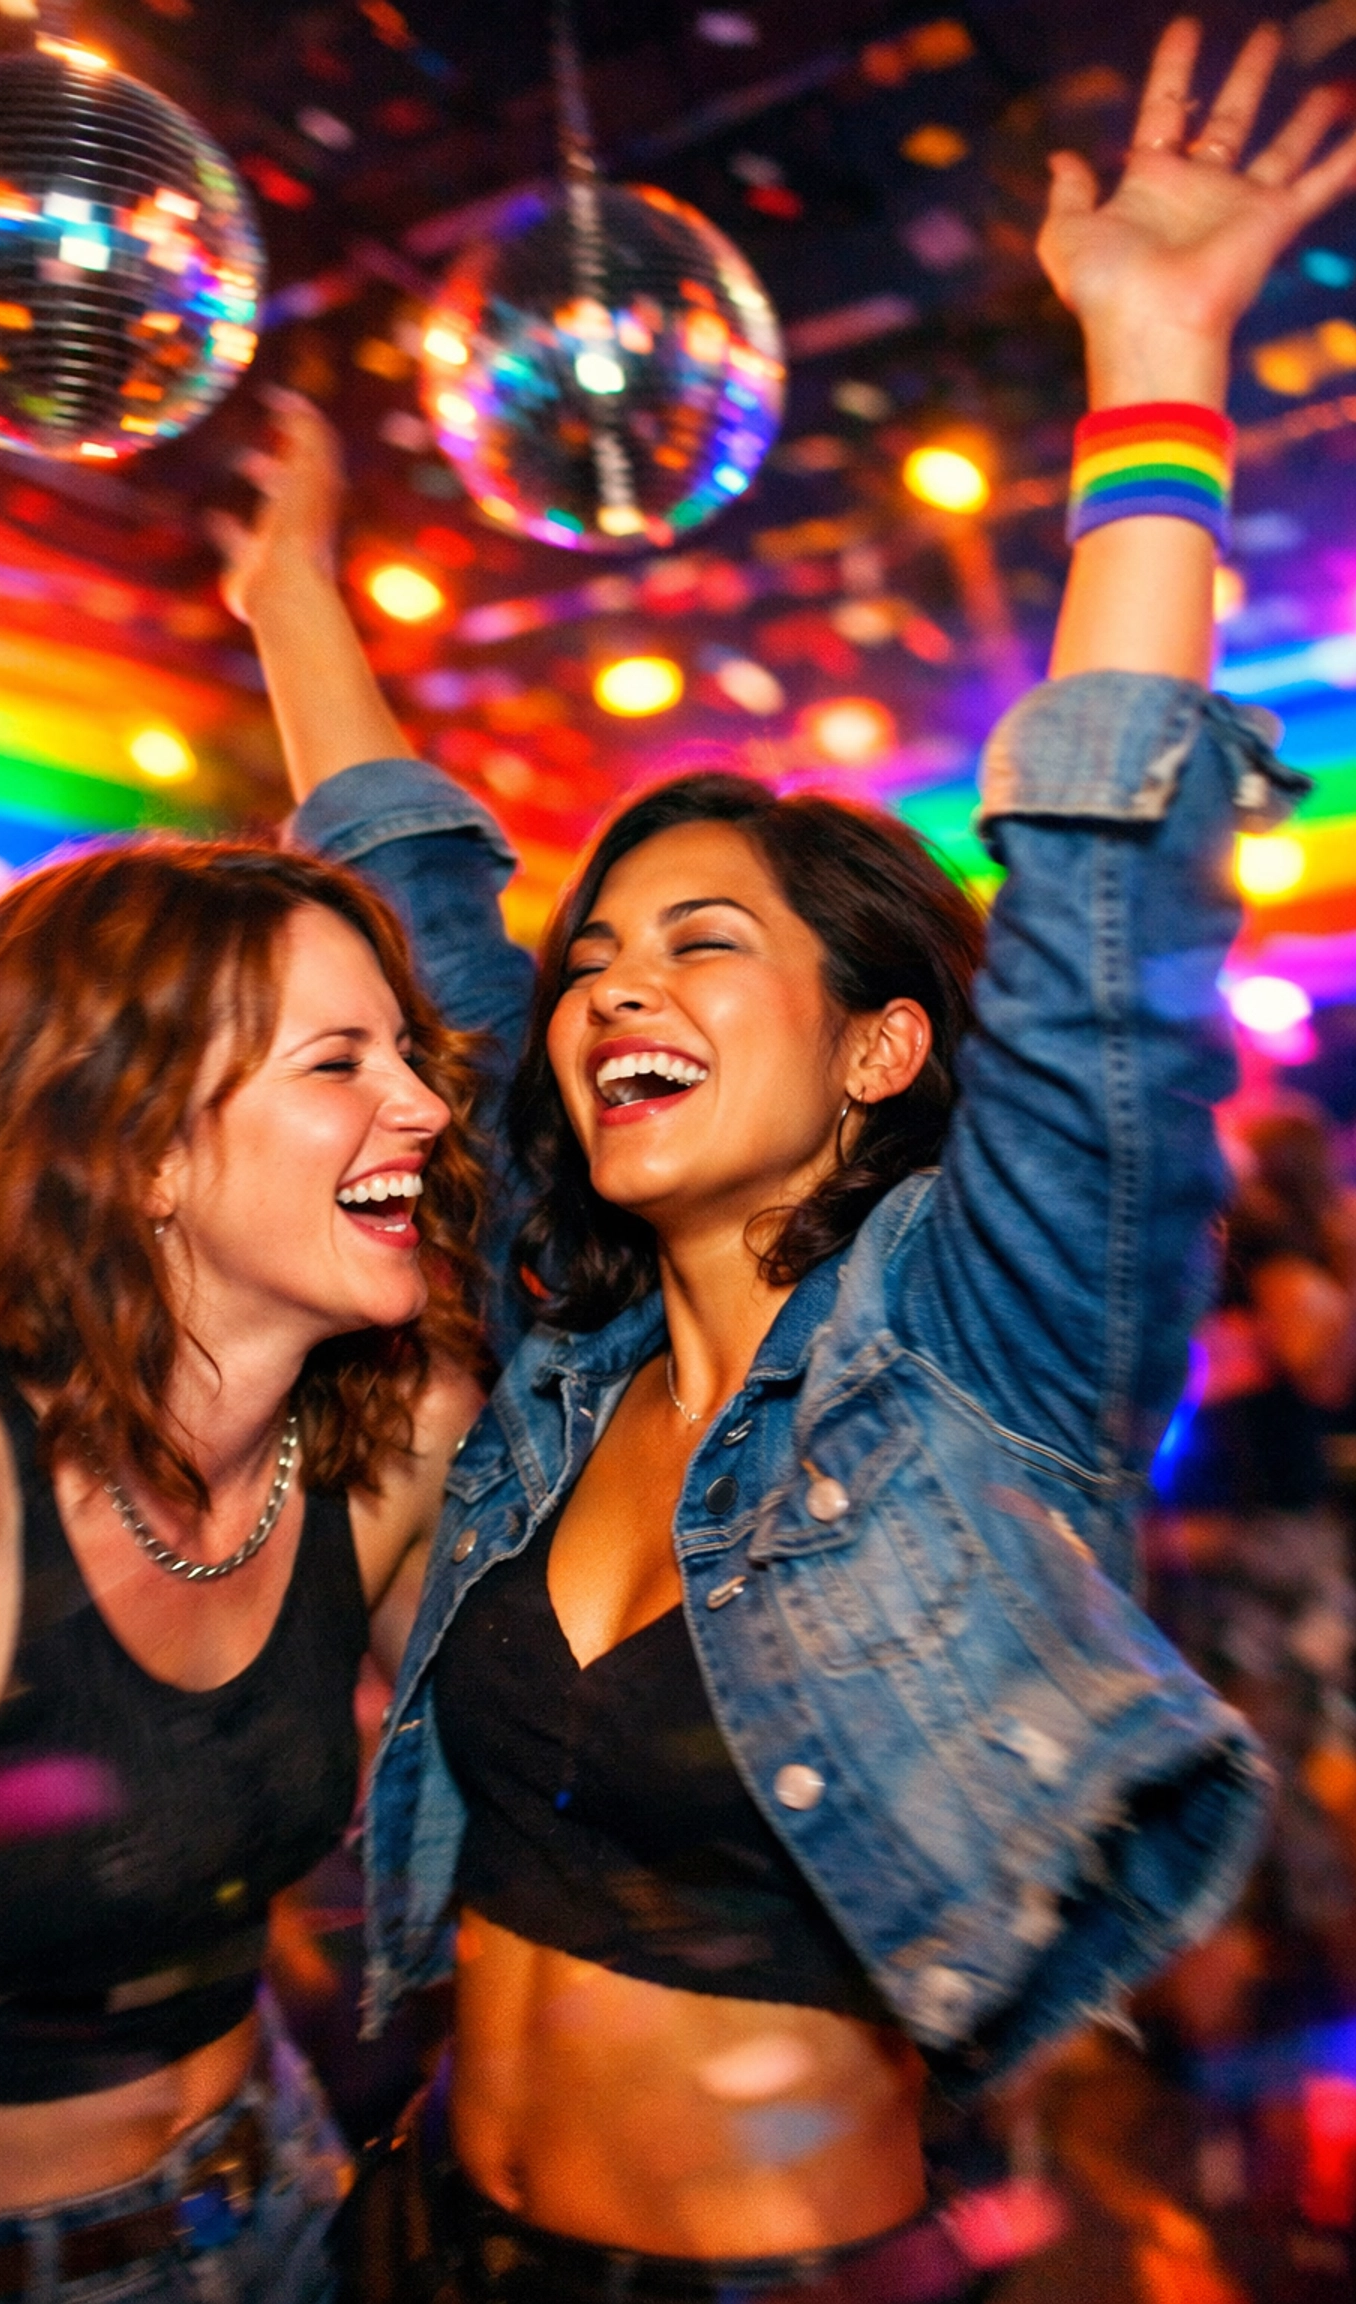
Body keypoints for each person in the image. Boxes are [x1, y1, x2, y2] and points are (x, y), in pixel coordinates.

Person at [222, 22, 1356, 2299]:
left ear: (878, 1046)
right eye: (605, 954)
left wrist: (1147, 358)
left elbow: (1102, 896)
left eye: (704, 945)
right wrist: (289, 612)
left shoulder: (991, 1351)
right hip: (421, 2235)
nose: (614, 983)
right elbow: (439, 931)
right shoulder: (565, 1342)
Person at [0, 840, 489, 2300]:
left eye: (409, 1051)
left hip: (284, 2203)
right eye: (337, 1063)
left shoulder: (389, 1439)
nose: (427, 1106)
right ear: (142, 1152)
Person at [1149, 1096, 1356, 2039]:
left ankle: (1265, 2045)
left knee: (1260, 1790)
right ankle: (1244, 2044)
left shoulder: (1251, 1226)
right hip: (1209, 1549)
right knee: (1247, 1787)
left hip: (1250, 1550)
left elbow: (1316, 1358)